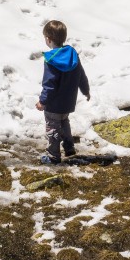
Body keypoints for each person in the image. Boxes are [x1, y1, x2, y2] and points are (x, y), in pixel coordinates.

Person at [36, 20, 90, 165]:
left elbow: (49, 84)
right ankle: (69, 146)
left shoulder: (51, 60)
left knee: (53, 127)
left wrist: (43, 101)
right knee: (64, 122)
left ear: (48, 39)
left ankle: (53, 156)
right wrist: (86, 90)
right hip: (68, 103)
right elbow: (81, 75)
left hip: (54, 105)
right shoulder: (72, 54)